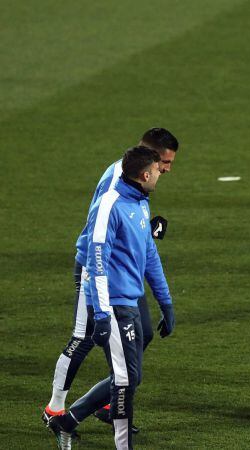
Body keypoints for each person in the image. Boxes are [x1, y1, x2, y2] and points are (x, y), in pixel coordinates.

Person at [42, 128, 178, 435]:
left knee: (143, 333)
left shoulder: (138, 181)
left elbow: (132, 223)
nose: (168, 169)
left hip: (125, 271)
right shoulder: (115, 183)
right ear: (150, 159)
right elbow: (98, 238)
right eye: (165, 162)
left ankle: (111, 399)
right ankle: (55, 408)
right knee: (84, 337)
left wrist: (146, 232)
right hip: (97, 270)